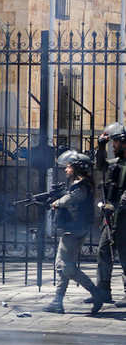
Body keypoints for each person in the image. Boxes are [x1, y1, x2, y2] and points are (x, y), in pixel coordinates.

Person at [42, 150, 108, 314]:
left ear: (77, 168)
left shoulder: (81, 186)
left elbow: (71, 199)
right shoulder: (81, 184)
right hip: (75, 228)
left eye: (69, 166)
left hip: (74, 230)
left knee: (65, 266)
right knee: (62, 265)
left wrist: (56, 203)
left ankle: (96, 292)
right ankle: (57, 301)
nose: (66, 169)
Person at [88, 122, 126, 305]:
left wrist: (118, 206)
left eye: (115, 143)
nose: (114, 146)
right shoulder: (117, 164)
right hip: (113, 217)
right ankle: (103, 291)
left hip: (124, 217)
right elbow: (101, 165)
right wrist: (100, 146)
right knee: (103, 252)